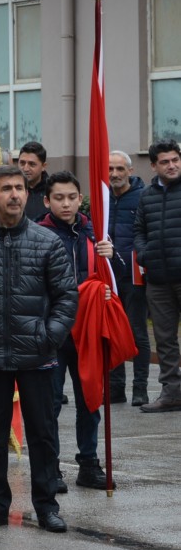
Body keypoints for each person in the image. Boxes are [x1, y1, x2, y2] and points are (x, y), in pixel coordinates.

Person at [0, 165, 77, 532]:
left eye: (19, 188)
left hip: (37, 354)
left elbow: (66, 298)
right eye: (6, 188)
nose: (14, 195)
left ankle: (47, 505)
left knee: (42, 434)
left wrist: (48, 336)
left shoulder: (47, 242)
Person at [38, 171, 115, 491]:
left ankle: (88, 463)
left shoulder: (95, 234)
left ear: (80, 197)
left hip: (88, 330)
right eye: (59, 198)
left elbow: (114, 277)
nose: (66, 204)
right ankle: (50, 466)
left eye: (72, 197)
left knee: (90, 400)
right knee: (50, 403)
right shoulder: (38, 235)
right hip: (53, 331)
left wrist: (112, 262)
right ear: (47, 201)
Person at [135, 140, 181, 413]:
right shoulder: (147, 194)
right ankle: (172, 393)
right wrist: (144, 254)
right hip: (158, 279)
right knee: (164, 340)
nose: (172, 165)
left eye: (175, 159)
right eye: (165, 161)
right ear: (153, 165)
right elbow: (139, 230)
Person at [106, 151, 151, 406]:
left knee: (137, 334)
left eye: (120, 169)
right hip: (109, 275)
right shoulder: (102, 197)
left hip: (134, 276)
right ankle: (116, 388)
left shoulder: (142, 197)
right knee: (112, 332)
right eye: (110, 169)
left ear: (130, 172)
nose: (115, 174)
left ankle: (140, 388)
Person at [17, 141, 50, 224]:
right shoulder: (12, 191)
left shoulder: (53, 191)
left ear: (43, 166)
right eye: (22, 163)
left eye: (32, 164)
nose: (25, 168)